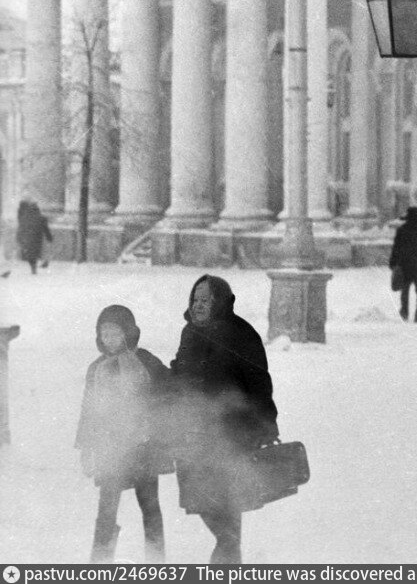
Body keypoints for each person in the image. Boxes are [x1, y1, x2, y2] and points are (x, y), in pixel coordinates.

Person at [170, 275, 279, 565]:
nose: (198, 305)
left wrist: (265, 422)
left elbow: (259, 382)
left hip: (231, 432)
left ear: (220, 302)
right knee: (202, 499)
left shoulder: (241, 334)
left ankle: (227, 564)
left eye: (206, 300)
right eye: (195, 299)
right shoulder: (190, 332)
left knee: (227, 503)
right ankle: (229, 555)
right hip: (193, 432)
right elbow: (181, 370)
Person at [75, 305, 172, 563]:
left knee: (150, 507)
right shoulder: (96, 368)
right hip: (110, 452)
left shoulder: (145, 361)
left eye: (115, 333)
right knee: (106, 509)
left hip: (143, 448)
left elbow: (169, 389)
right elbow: (88, 411)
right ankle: (100, 563)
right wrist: (86, 447)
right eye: (104, 333)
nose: (109, 339)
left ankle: (156, 561)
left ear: (129, 333)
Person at [389, 207, 417, 322]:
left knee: (405, 290)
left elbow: (396, 248)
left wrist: (393, 262)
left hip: (405, 264)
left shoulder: (402, 230)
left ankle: (404, 312)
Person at [16, 197, 52, 274]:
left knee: (30, 253)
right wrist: (49, 237)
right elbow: (46, 229)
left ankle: (33, 266)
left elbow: (21, 228)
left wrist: (19, 237)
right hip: (37, 238)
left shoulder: (25, 217)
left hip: (28, 238)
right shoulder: (42, 218)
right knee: (36, 252)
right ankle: (35, 265)